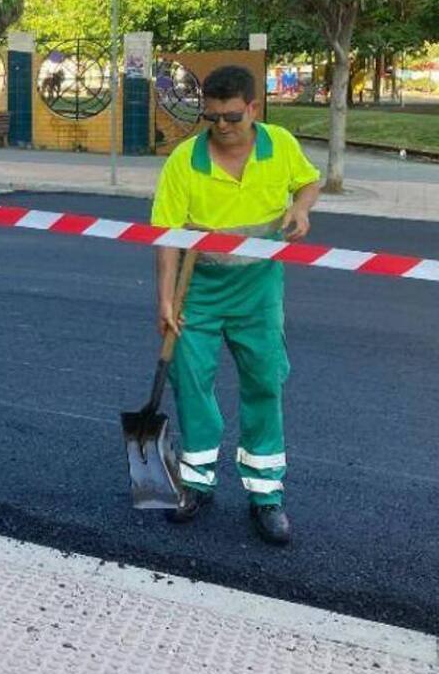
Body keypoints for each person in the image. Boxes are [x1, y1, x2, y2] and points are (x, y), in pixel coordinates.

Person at [151, 65, 322, 545]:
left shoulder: (280, 145)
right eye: (213, 118)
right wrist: (165, 300)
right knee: (191, 381)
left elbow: (310, 181)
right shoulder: (185, 161)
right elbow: (165, 238)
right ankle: (197, 482)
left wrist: (302, 206)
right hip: (198, 288)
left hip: (259, 289)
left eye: (231, 117)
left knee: (265, 380)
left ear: (253, 108)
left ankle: (266, 495)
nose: (222, 127)